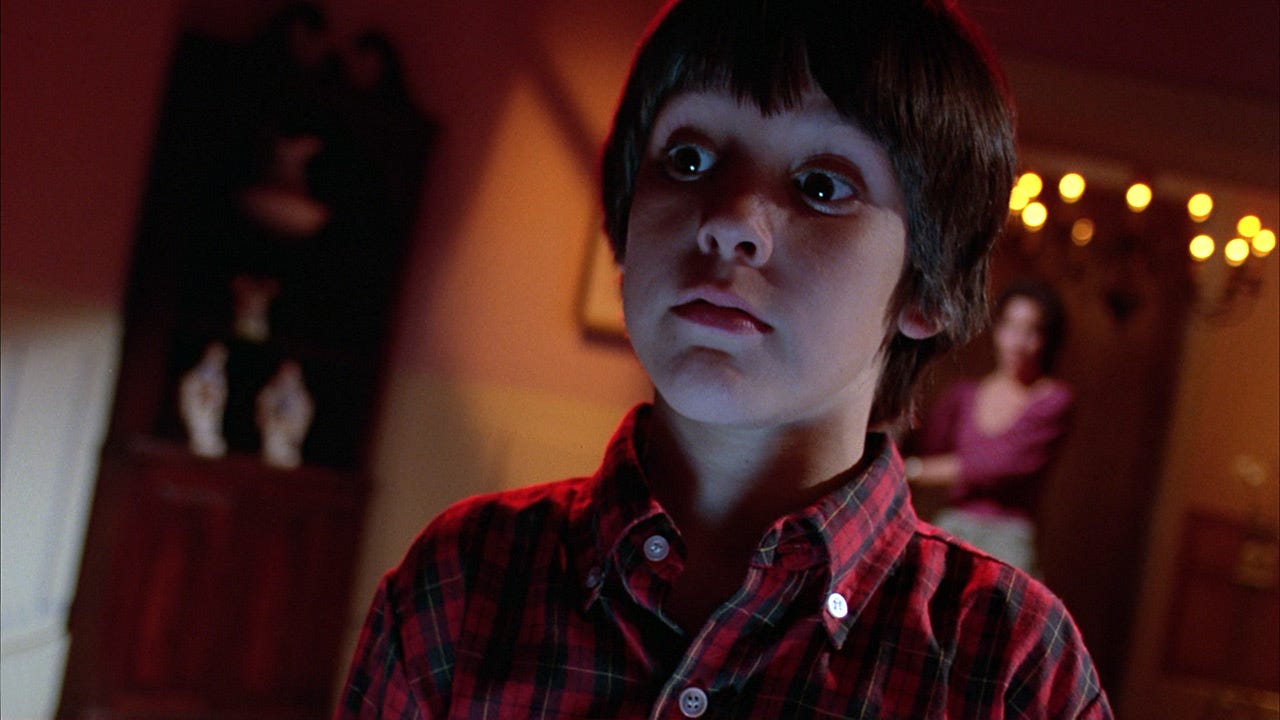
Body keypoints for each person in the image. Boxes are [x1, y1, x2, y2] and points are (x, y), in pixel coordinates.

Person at [335, 1, 1112, 717]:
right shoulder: (464, 582)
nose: (730, 219)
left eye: (821, 185)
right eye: (688, 160)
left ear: (928, 288)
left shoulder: (1010, 667)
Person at [906, 279, 1073, 576]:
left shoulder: (1051, 400)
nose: (1018, 342)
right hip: (954, 525)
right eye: (1010, 327)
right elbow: (925, 440)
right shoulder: (964, 396)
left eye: (1032, 331)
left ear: (1047, 339)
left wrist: (914, 471)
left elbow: (995, 465)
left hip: (1007, 537)